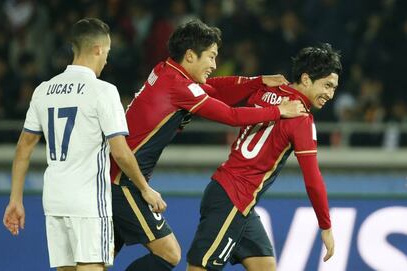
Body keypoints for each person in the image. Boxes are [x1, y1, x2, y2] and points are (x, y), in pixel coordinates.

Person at [110, 19, 307, 271]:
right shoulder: (178, 86)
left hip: (115, 175)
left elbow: (212, 89)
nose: (214, 65)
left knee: (97, 260)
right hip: (123, 181)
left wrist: (257, 82)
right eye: (211, 57)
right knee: (169, 254)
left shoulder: (166, 70)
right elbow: (230, 116)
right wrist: (279, 110)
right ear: (190, 56)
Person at [2, 18, 165, 271]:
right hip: (88, 202)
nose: (107, 60)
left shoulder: (43, 90)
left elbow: (24, 147)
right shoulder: (103, 91)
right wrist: (145, 189)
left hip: (54, 200)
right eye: (107, 52)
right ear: (98, 49)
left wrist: (15, 199)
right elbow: (120, 152)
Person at [187, 43, 342, 271]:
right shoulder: (301, 118)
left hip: (234, 198)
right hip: (234, 198)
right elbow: (312, 178)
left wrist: (255, 80)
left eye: (334, 88)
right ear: (306, 79)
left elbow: (210, 86)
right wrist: (326, 226)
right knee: (200, 268)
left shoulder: (267, 89)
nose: (330, 94)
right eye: (327, 85)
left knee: (264, 265)